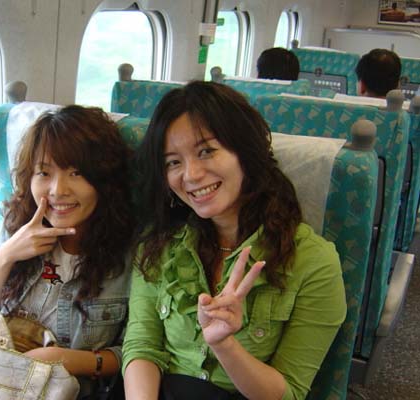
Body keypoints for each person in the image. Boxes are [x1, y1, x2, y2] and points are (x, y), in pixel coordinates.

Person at [122, 81, 346, 400]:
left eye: (206, 151)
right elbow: (142, 346)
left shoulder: (314, 261)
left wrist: (224, 345)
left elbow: (290, 392)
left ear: (245, 152)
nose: (191, 175)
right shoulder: (158, 245)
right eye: (173, 162)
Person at [0, 105, 135, 398]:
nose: (57, 190)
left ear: (103, 180)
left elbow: (135, 350)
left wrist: (66, 360)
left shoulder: (132, 254)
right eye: (44, 172)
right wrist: (6, 255)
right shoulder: (18, 223)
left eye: (76, 173)